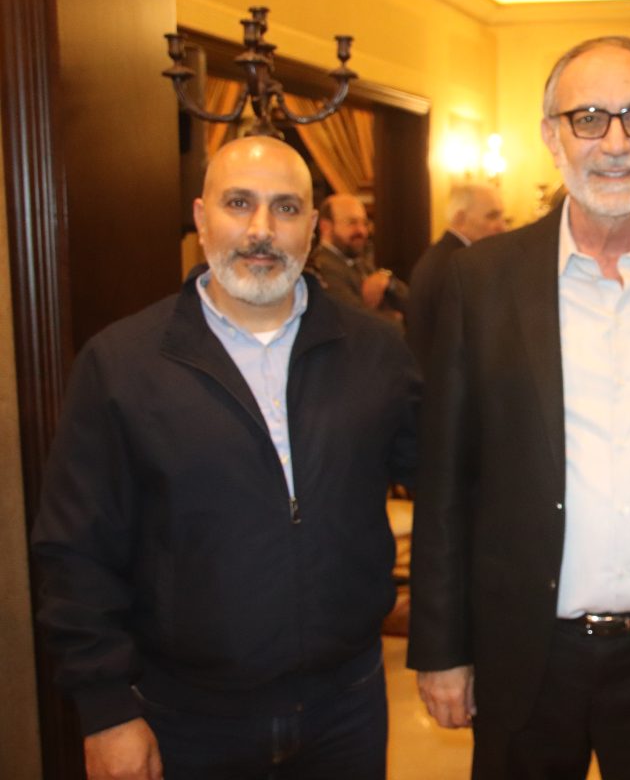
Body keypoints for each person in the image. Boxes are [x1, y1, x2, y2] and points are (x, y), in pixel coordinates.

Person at [407, 35, 630, 779]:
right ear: (552, 137)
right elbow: (445, 478)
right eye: (588, 118)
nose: (614, 143)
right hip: (523, 647)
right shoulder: (481, 280)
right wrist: (441, 647)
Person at [32, 136, 421, 780]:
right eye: (238, 203)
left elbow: (446, 489)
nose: (261, 229)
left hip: (346, 709)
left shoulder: (376, 353)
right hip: (186, 720)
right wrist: (105, 709)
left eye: (285, 208)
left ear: (312, 227)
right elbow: (75, 551)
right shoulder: (122, 363)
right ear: (201, 217)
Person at [406, 182, 506, 367]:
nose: (502, 227)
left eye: (502, 217)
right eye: (492, 216)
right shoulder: (457, 264)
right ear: (460, 218)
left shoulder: (444, 256)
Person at [309, 192, 407, 321]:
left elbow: (410, 303)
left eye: (364, 223)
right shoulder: (321, 266)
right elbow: (354, 319)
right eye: (352, 222)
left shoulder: (360, 262)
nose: (362, 231)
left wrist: (387, 280)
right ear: (326, 227)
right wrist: (395, 318)